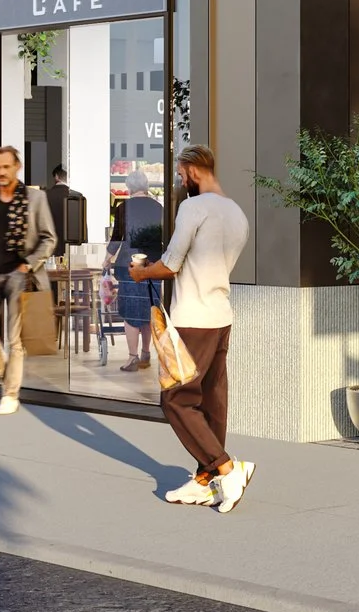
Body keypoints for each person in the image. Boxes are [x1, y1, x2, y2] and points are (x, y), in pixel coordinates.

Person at [123, 142, 253, 511]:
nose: (181, 181)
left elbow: (172, 263)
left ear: (194, 170)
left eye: (181, 175)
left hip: (193, 318)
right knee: (212, 399)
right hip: (221, 315)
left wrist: (140, 272)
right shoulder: (237, 214)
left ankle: (227, 469)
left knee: (176, 398)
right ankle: (204, 481)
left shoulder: (193, 207)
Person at [0, 143, 58, 416]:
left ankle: (10, 393)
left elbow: (49, 238)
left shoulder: (35, 199)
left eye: (6, 166)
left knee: (15, 339)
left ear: (17, 167)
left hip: (19, 276)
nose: (1, 172)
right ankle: (10, 376)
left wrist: (29, 265)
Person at [108, 196, 164, 373]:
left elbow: (117, 237)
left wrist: (107, 259)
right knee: (149, 310)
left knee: (131, 310)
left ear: (130, 188)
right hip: (154, 263)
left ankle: (133, 357)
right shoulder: (158, 207)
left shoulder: (124, 207)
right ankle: (146, 353)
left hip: (129, 264)